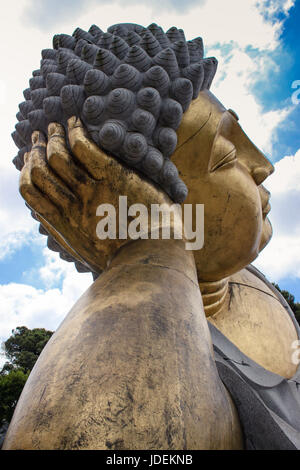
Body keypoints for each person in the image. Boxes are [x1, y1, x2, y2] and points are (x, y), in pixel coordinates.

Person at [4, 22, 300, 450]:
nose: (263, 165)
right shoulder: (126, 347)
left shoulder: (255, 287)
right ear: (131, 193)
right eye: (227, 155)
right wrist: (153, 245)